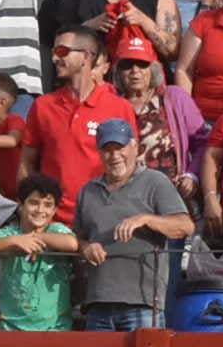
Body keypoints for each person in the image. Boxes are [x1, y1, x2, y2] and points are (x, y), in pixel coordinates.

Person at [71, 114, 191, 329]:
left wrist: (145, 219)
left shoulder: (155, 182)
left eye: (120, 147)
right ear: (99, 153)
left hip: (142, 303)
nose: (114, 155)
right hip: (97, 302)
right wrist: (86, 247)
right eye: (107, 149)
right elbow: (76, 238)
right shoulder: (87, 191)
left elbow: (185, 226)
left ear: (135, 147)